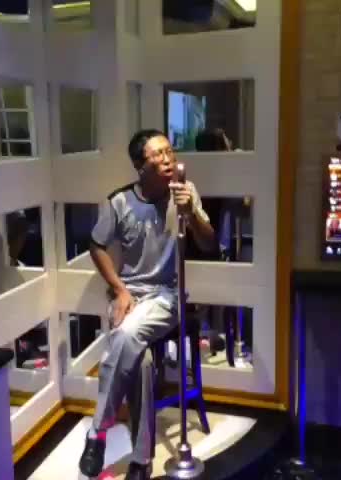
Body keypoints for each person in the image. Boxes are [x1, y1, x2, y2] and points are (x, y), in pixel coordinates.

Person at [79, 129, 216, 479]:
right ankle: (141, 461)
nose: (168, 159)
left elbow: (209, 243)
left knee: (126, 337)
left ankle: (97, 432)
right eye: (158, 154)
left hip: (168, 295)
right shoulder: (119, 202)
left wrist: (191, 213)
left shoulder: (185, 192)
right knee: (140, 361)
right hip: (131, 295)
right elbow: (96, 245)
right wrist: (119, 289)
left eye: (170, 151)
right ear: (141, 166)